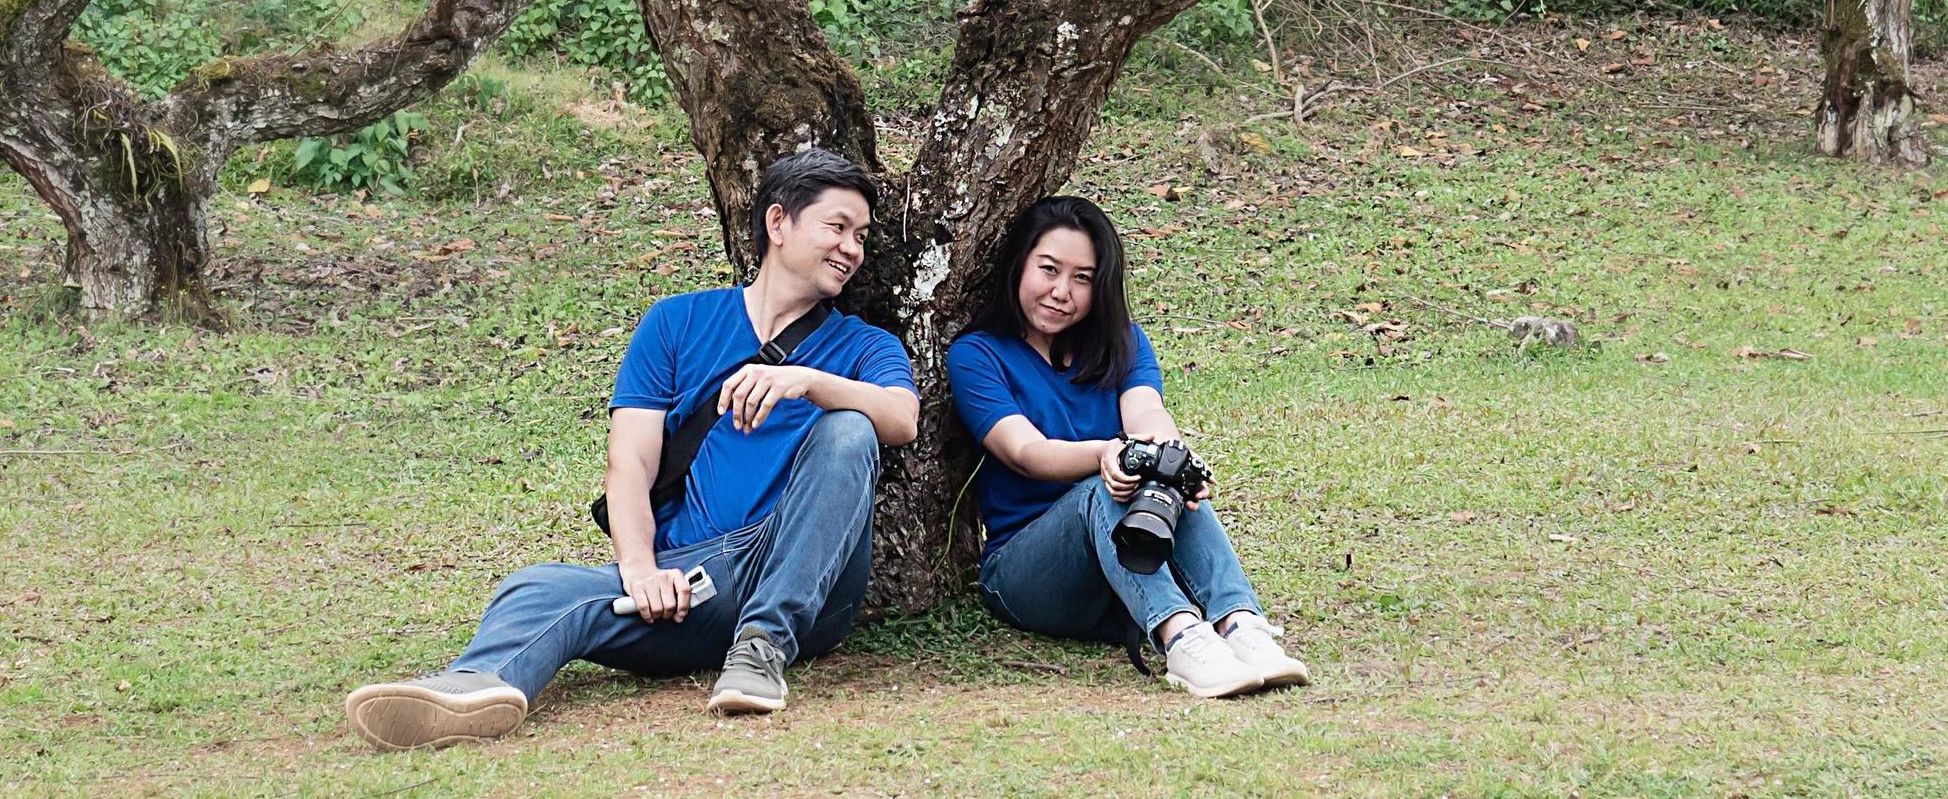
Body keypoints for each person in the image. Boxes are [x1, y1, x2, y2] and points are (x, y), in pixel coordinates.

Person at [343, 150, 921, 748]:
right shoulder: (676, 323)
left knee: (849, 428)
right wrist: (641, 569)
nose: (852, 248)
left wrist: (810, 382)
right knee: (539, 586)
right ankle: (472, 689)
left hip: (805, 573)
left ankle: (764, 646)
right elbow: (632, 462)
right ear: (778, 224)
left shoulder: (862, 346)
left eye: (861, 235)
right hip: (699, 577)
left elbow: (901, 420)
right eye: (837, 227)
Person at [948, 193, 1308, 699]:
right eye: (1048, 269)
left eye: (1082, 278)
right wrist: (1104, 454)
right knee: (1105, 485)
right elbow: (1024, 452)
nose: (1061, 291)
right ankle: (1181, 639)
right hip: (1028, 574)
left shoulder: (1124, 342)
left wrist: (1171, 457)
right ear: (1018, 264)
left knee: (1166, 469)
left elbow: (1147, 414)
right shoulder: (977, 354)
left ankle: (1241, 625)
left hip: (1120, 573)